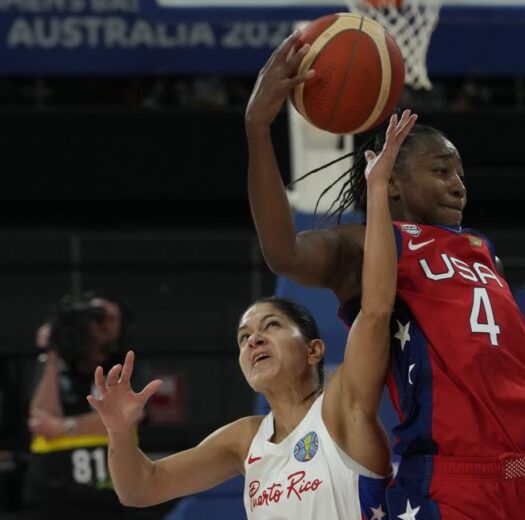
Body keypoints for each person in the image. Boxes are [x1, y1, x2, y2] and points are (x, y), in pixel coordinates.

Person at [246, 33, 525, 519]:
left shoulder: (482, 250)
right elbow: (281, 251)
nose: (459, 185)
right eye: (442, 170)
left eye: (462, 174)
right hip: (453, 484)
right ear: (395, 184)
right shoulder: (367, 242)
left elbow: (519, 391)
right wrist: (259, 128)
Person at [87, 111, 417, 519]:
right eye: (244, 337)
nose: (254, 340)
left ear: (314, 350)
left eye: (271, 326)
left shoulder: (342, 407)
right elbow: (141, 489)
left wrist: (379, 189)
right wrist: (120, 432)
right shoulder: (245, 440)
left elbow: (376, 309)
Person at [24, 296, 134, 520]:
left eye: (108, 319)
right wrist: (52, 354)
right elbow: (39, 418)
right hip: (51, 490)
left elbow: (128, 414)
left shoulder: (126, 363)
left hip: (108, 492)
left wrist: (63, 427)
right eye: (93, 319)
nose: (100, 326)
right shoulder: (53, 366)